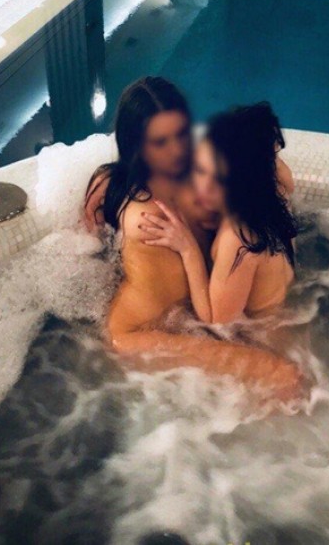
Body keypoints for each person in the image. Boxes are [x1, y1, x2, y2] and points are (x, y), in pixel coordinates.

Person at [84, 78, 306, 402]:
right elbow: (205, 319)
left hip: (199, 312)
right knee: (282, 376)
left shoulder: (195, 168)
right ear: (137, 147)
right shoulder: (149, 219)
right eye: (161, 142)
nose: (177, 151)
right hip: (139, 333)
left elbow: (281, 181)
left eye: (181, 134)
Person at [139, 103, 308, 355]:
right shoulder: (276, 190)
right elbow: (270, 158)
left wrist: (188, 249)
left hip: (262, 345)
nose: (203, 187)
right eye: (201, 170)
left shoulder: (239, 237)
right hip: (286, 320)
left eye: (218, 178)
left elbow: (218, 323)